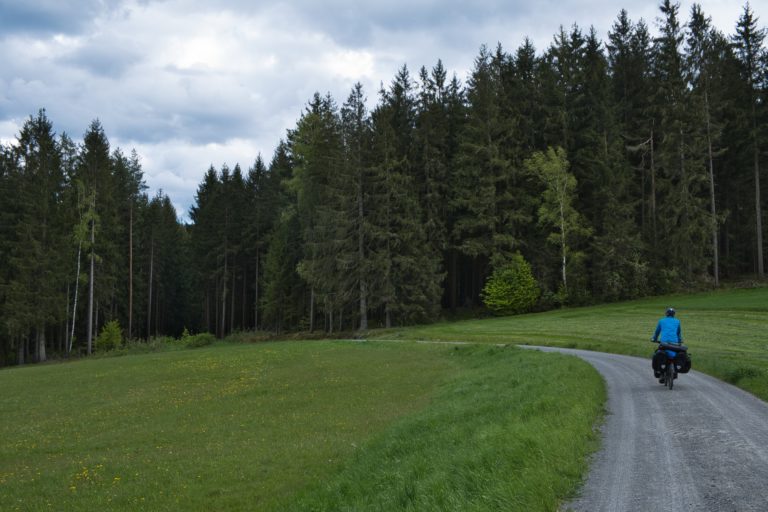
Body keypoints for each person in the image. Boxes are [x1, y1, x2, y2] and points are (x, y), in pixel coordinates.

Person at [650, 307, 682, 382]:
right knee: (675, 354)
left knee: (659, 354)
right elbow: (678, 333)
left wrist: (654, 339)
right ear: (674, 314)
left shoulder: (661, 321)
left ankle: (661, 373)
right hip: (675, 342)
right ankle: (675, 372)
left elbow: (657, 332)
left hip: (664, 342)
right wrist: (680, 340)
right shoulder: (677, 321)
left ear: (666, 314)